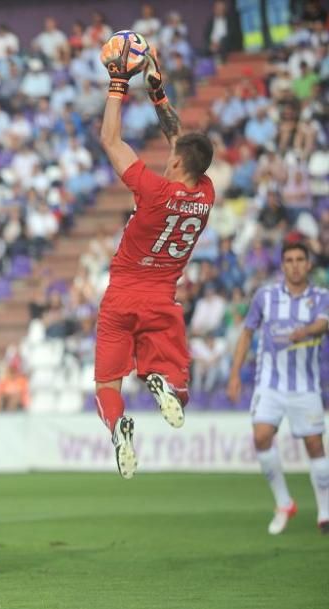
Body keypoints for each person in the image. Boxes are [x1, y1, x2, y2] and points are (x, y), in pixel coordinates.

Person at [95, 39, 215, 478]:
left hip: (122, 296)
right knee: (179, 393)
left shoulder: (153, 190)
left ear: (179, 162)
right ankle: (159, 383)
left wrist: (118, 83)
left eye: (172, 155)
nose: (167, 156)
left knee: (107, 385)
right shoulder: (205, 195)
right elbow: (181, 139)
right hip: (162, 300)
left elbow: (110, 139)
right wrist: (158, 92)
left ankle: (117, 426)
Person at [227, 240, 329, 535]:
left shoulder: (320, 296)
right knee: (261, 437)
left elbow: (324, 323)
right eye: (289, 260)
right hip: (269, 384)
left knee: (314, 445)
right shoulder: (265, 296)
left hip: (305, 386)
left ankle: (324, 511)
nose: (295, 265)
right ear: (282, 265)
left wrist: (306, 331)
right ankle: (284, 503)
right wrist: (234, 374)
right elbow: (246, 334)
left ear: (308, 264)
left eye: (300, 259)